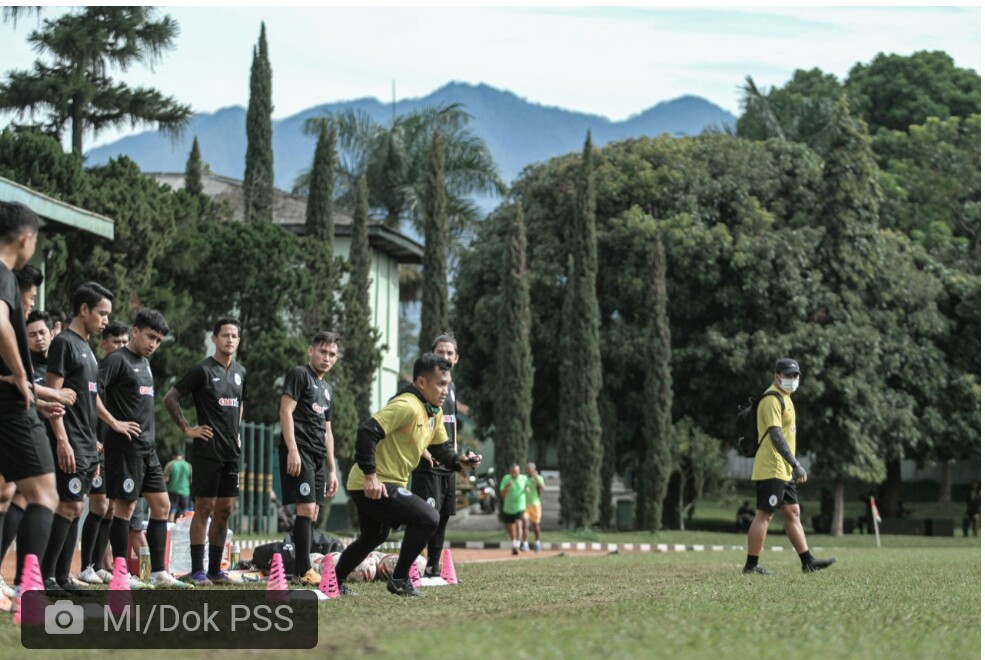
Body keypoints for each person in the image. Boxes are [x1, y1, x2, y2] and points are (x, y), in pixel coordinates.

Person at [334, 353, 481, 597]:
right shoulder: (407, 405)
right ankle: (400, 578)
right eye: (440, 384)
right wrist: (371, 475)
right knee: (428, 517)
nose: (445, 390)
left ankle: (334, 580)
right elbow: (367, 431)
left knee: (373, 536)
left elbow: (441, 447)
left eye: (448, 384)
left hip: (378, 482)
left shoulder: (432, 411)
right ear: (421, 383)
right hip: (371, 483)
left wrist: (459, 461)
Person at [101, 308, 190, 589]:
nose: (154, 344)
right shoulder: (116, 360)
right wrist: (114, 423)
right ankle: (120, 574)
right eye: (150, 337)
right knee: (124, 509)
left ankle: (158, 573)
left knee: (162, 506)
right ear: (135, 331)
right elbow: (89, 393)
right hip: (125, 449)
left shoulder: (145, 364)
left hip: (147, 450)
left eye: (159, 340)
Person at [0, 201, 58, 608]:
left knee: (6, 494)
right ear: (26, 239)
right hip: (9, 406)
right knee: (43, 495)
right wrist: (21, 375)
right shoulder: (4, 275)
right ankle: (29, 591)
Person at [40, 282, 114, 596]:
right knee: (68, 508)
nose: (106, 321)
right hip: (69, 441)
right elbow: (53, 397)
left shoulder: (88, 350)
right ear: (84, 310)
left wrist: (96, 445)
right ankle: (47, 578)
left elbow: (88, 402)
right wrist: (62, 440)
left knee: (76, 507)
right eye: (102, 313)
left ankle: (64, 577)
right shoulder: (65, 344)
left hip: (87, 444)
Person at [163, 317, 246, 585]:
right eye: (225, 335)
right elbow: (171, 398)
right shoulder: (201, 370)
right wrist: (188, 429)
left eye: (234, 336)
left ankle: (215, 571)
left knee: (224, 511)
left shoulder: (241, 372)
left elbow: (240, 403)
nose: (230, 340)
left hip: (231, 454)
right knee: (205, 509)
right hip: (207, 452)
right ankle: (198, 571)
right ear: (214, 339)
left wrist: (237, 431)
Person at [743, 358, 835, 575]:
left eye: (795, 376)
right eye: (788, 375)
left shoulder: (786, 398)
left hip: (782, 468)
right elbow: (775, 435)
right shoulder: (772, 400)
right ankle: (751, 566)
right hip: (772, 467)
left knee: (793, 512)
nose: (792, 379)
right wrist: (795, 464)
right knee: (764, 514)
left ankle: (807, 561)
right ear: (777, 376)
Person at [277, 331, 341, 586]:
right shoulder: (299, 375)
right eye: (322, 352)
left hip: (317, 455)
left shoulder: (327, 389)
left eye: (332, 354)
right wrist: (292, 449)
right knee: (304, 507)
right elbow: (285, 411)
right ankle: (302, 570)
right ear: (310, 350)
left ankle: (302, 564)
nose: (327, 358)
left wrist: (333, 469)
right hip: (299, 450)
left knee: (313, 511)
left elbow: (328, 431)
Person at [78, 320, 130, 585]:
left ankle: (97, 565)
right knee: (97, 504)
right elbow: (87, 407)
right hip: (95, 445)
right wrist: (94, 438)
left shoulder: (126, 372)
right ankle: (85, 565)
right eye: (116, 342)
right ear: (104, 343)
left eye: (124, 342)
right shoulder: (96, 370)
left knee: (110, 508)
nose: (121, 346)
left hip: (116, 450)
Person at [410, 333, 460, 578]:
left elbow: (451, 424)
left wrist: (458, 455)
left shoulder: (451, 389)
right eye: (441, 352)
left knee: (443, 517)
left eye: (450, 353)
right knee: (426, 517)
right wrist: (424, 449)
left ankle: (433, 568)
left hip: (448, 464)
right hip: (428, 464)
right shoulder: (422, 389)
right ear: (431, 356)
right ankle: (409, 567)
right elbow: (417, 422)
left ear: (457, 358)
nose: (445, 357)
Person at [499, 464, 527, 555]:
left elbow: (528, 486)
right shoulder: (506, 478)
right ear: (510, 471)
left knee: (519, 523)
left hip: (520, 506)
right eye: (512, 472)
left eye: (516, 472)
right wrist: (507, 486)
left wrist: (527, 489)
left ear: (519, 471)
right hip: (508, 507)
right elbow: (501, 494)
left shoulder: (524, 478)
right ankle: (514, 544)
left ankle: (518, 544)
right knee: (511, 527)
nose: (514, 474)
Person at [163, 451, 192, 523]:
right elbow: (191, 480)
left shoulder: (170, 464)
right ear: (182, 456)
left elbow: (166, 479)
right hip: (185, 491)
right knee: (186, 511)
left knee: (172, 511)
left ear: (173, 456)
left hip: (172, 490)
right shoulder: (188, 465)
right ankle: (185, 530)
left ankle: (170, 528)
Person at [523, 462, 545, 552]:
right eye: (526, 469)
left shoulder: (538, 478)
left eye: (529, 469)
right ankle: (525, 544)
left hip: (535, 505)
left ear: (534, 469)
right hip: (524, 504)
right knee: (525, 524)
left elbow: (543, 488)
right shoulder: (524, 478)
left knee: (535, 525)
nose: (527, 470)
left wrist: (536, 478)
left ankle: (537, 542)